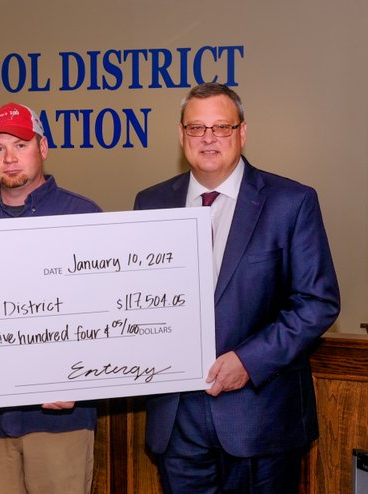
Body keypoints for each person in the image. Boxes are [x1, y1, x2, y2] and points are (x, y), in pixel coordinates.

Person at [133, 82, 341, 493]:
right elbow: (136, 303)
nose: (208, 138)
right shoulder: (150, 203)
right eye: (196, 128)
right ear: (181, 135)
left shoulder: (290, 202)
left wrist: (248, 361)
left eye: (221, 128)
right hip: (177, 422)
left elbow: (317, 302)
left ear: (242, 133)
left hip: (259, 420)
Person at [0, 102, 101, 494]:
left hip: (61, 422)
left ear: (42, 148)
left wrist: (86, 384)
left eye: (21, 144)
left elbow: (107, 321)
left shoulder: (85, 218)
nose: (10, 158)